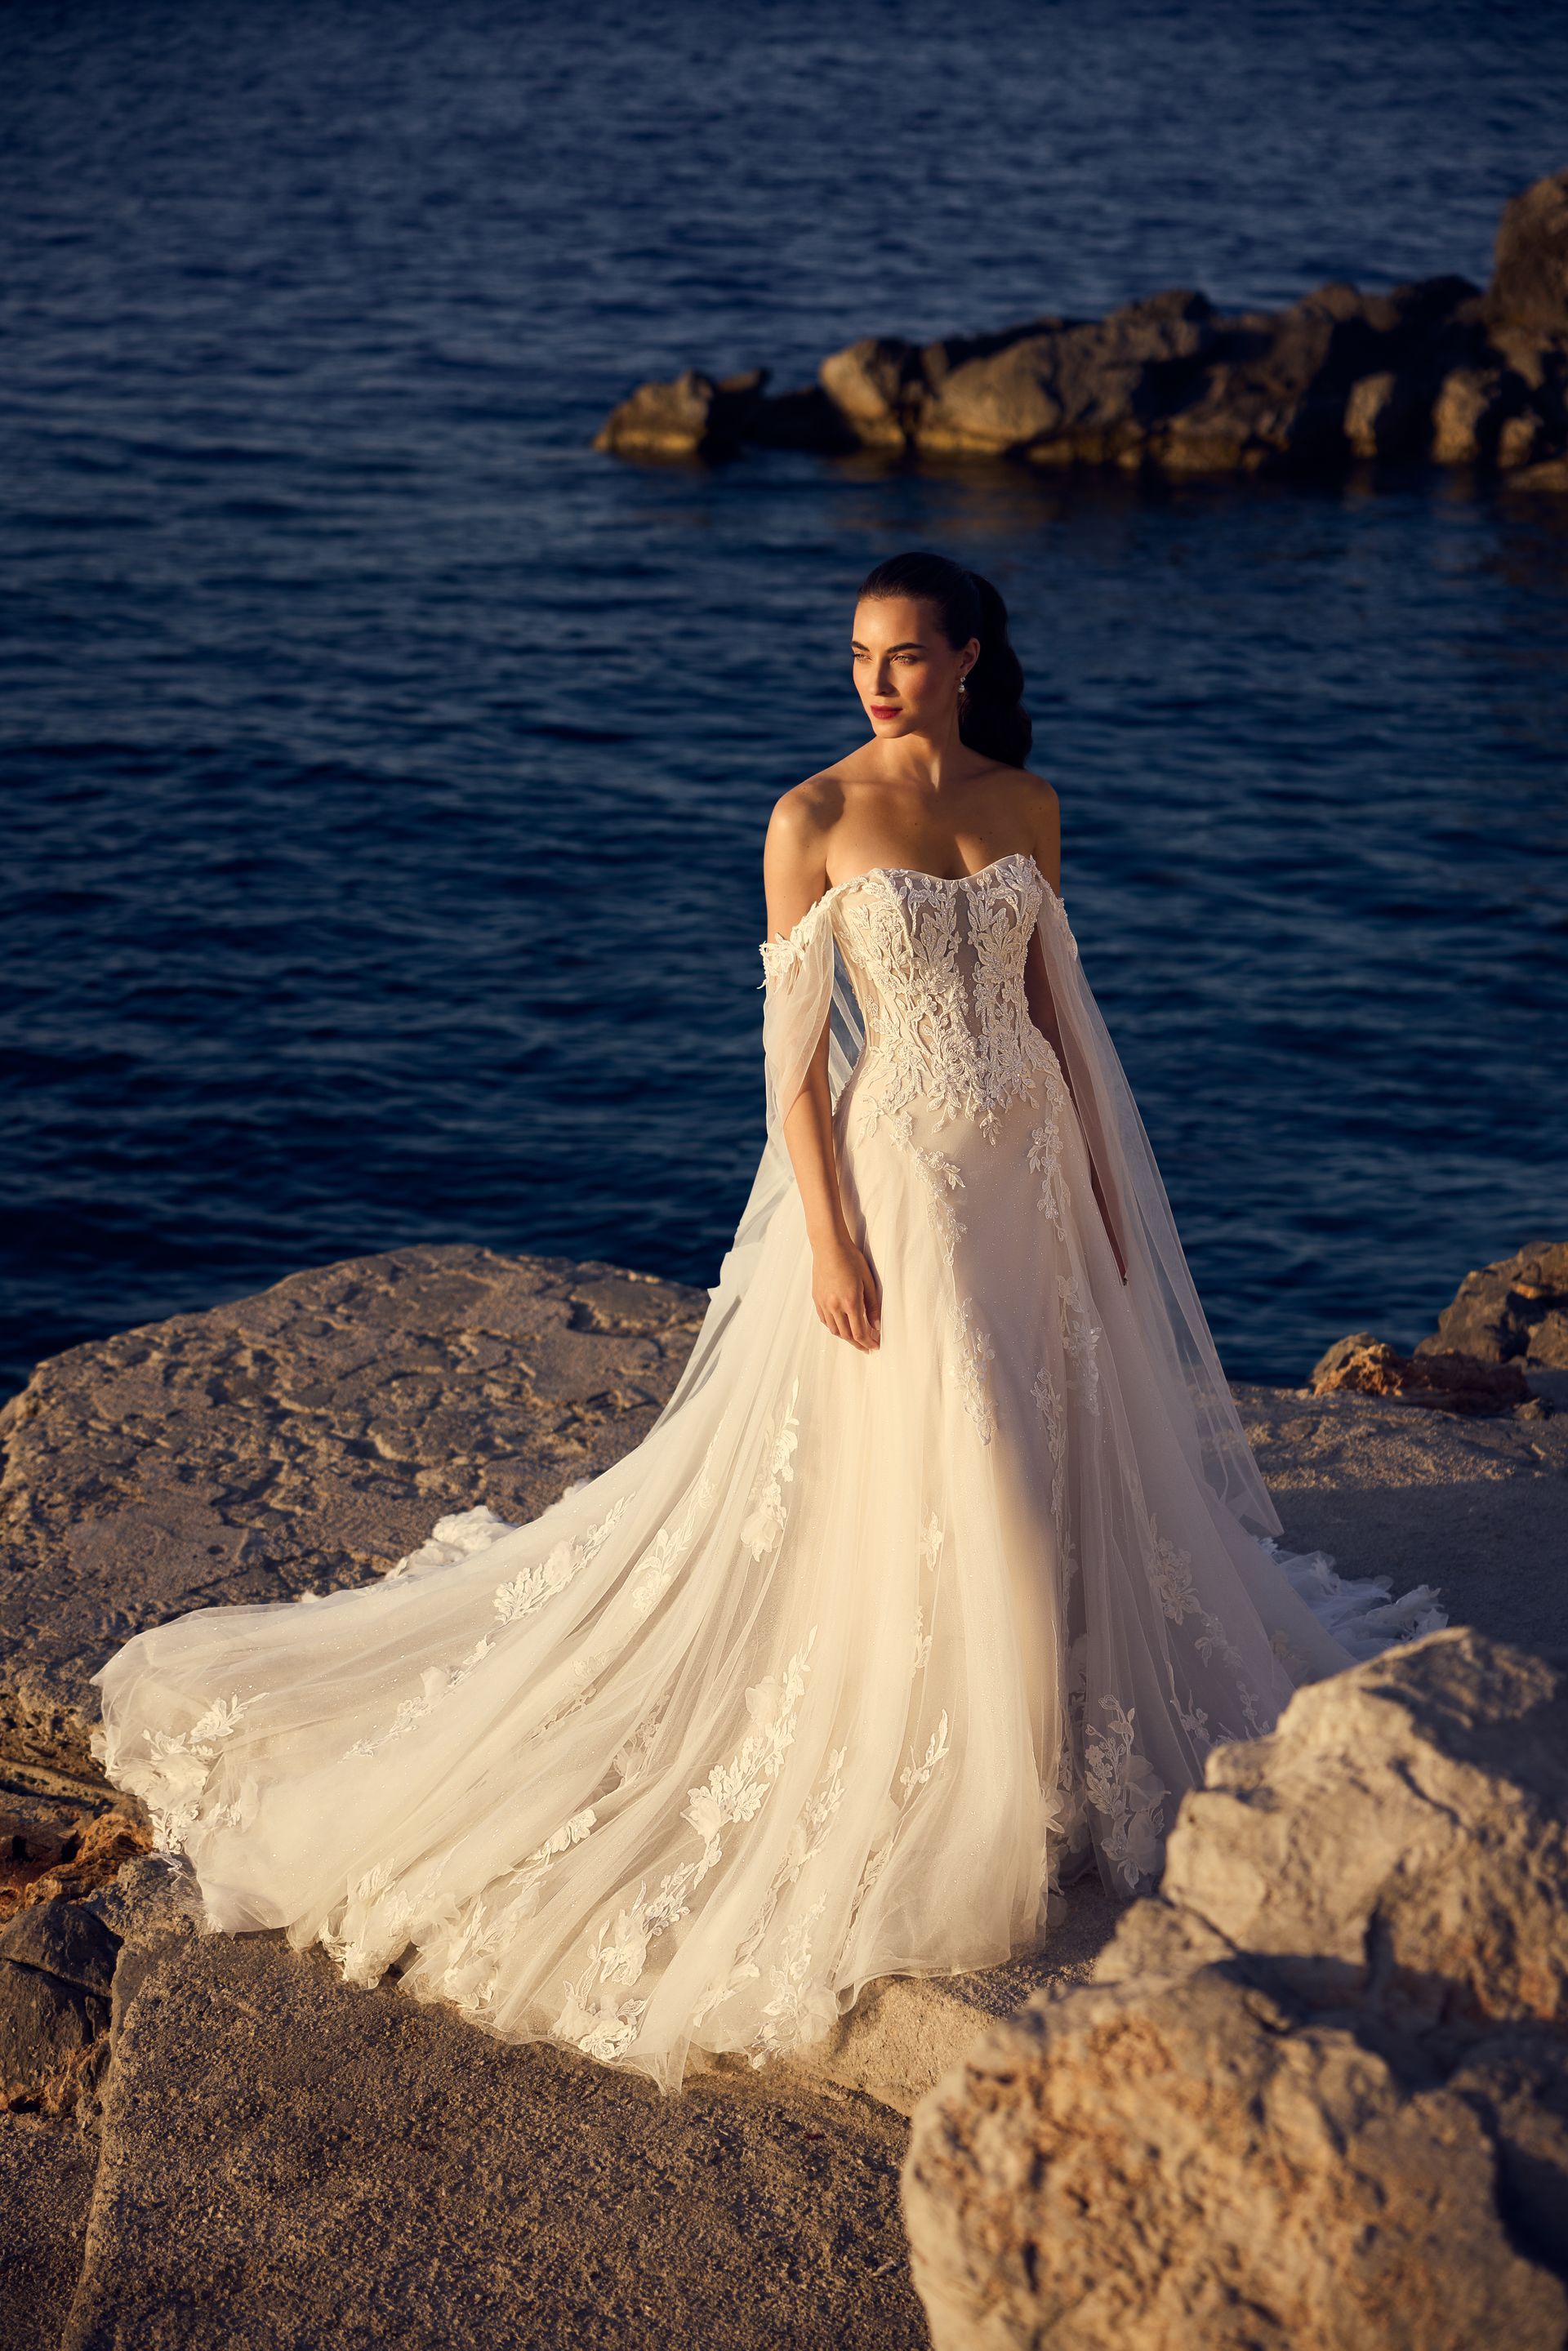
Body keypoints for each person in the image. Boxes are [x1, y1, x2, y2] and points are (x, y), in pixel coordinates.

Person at [91, 550, 1442, 2092]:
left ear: (969, 658)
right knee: (985, 1468)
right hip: (909, 1193)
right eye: (862, 652)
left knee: (1060, 1455)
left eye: (907, 653)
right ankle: (980, 1783)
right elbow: (794, 1063)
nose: (877, 677)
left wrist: (1113, 1208)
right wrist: (831, 1240)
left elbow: (1062, 1013)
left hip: (1035, 1187)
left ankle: (1055, 1727)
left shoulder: (1025, 805)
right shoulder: (809, 820)